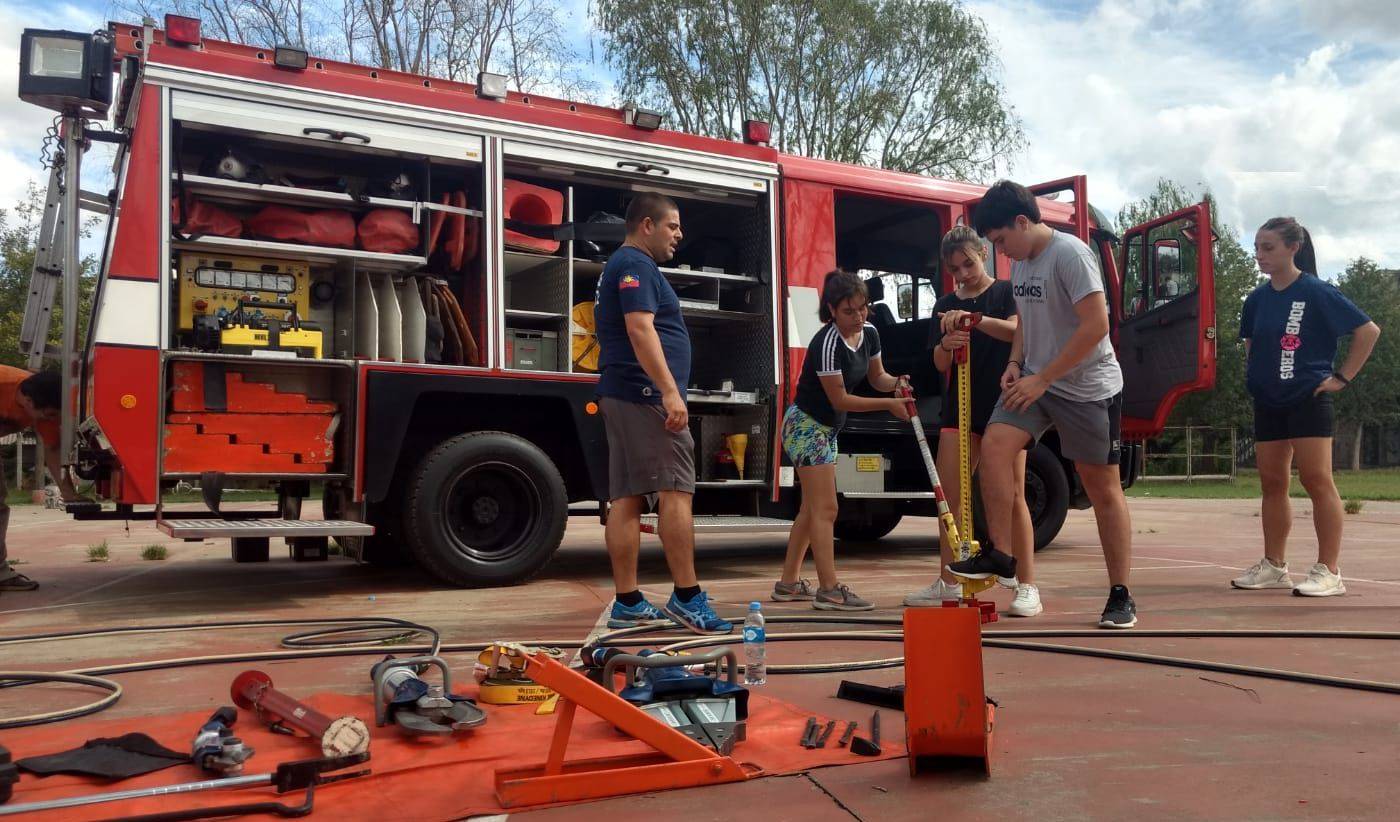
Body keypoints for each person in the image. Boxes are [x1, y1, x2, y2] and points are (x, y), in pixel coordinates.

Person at [952, 180, 1138, 629]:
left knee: (1101, 489)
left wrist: (1044, 378)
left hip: (1086, 386)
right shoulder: (1020, 265)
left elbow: (1095, 326)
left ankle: (1120, 594)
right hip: (1035, 378)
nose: (1001, 252)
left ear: (1022, 222)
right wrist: (1017, 364)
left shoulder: (1071, 255)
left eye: (1000, 241)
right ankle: (1000, 555)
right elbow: (1026, 325)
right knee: (994, 448)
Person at [593, 192, 731, 635]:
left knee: (629, 497)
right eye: (672, 226)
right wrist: (671, 392)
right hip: (646, 395)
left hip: (625, 391)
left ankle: (629, 601)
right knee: (676, 490)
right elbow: (640, 327)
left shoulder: (623, 264)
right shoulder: (635, 264)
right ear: (647, 224)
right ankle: (688, 598)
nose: (679, 234)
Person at [1230, 217, 1380, 597]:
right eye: (1257, 248)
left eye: (1269, 248)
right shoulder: (1256, 300)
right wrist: (1257, 375)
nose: (1260, 255)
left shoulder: (1315, 292)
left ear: (1293, 248)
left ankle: (1329, 570)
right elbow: (1251, 343)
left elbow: (1368, 331)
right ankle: (1274, 565)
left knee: (1316, 479)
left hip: (1308, 398)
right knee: (1272, 482)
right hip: (1268, 400)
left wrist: (1341, 378)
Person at [904, 227, 1038, 616]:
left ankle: (1027, 585)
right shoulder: (945, 304)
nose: (963, 273)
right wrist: (946, 343)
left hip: (1005, 404)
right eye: (955, 268)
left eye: (969, 263)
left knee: (1013, 495)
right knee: (950, 496)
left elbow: (1018, 331)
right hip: (958, 409)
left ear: (983, 253)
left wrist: (975, 320)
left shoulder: (1005, 291)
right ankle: (947, 581)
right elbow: (938, 362)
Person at [773, 270, 910, 610]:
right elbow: (842, 400)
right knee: (827, 508)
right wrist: (890, 405)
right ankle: (829, 589)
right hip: (805, 426)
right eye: (850, 311)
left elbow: (878, 377)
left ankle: (788, 584)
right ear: (832, 310)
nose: (858, 316)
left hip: (826, 429)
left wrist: (897, 384)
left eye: (863, 308)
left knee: (812, 508)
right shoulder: (827, 343)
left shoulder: (871, 334)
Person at [0, 367, 78, 592]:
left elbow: (53, 449)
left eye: (54, 415)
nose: (50, 419)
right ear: (26, 399)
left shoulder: (45, 403)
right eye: (48, 414)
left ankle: (1, 574)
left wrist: (69, 493)